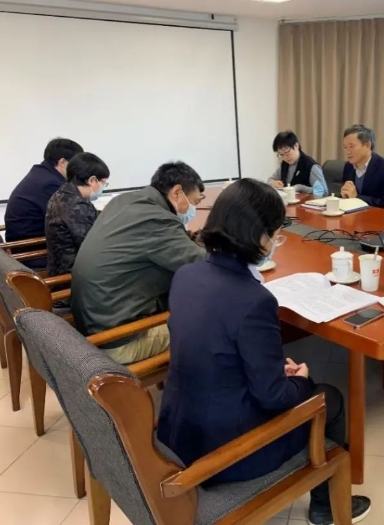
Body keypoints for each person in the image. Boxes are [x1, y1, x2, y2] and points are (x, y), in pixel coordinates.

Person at [157, 178, 371, 525]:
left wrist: (270, 371)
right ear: (259, 237)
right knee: (328, 398)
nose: (275, 243)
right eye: (275, 235)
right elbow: (273, 397)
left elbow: (217, 349)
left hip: (178, 433)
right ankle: (326, 507)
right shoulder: (254, 300)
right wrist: (301, 381)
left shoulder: (186, 275)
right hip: (226, 452)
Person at [71, 161, 206, 365]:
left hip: (92, 324)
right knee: (215, 324)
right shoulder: (158, 219)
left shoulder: (123, 201)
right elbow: (202, 266)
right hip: (120, 339)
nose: (193, 209)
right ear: (177, 192)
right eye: (195, 202)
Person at [5, 137, 83, 267]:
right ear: (63, 162)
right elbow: (71, 221)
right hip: (34, 252)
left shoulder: (42, 174)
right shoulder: (50, 184)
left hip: (28, 244)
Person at [45, 152, 109, 278]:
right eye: (103, 183)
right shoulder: (77, 206)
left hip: (60, 267)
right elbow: (93, 247)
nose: (103, 187)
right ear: (92, 180)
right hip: (74, 275)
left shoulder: (63, 193)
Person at [341, 124, 384, 210]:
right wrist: (344, 195)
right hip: (352, 215)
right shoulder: (348, 166)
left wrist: (357, 198)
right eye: (345, 147)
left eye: (351, 146)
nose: (347, 151)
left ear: (367, 145)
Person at [267, 131, 328, 197]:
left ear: (296, 146)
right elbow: (270, 180)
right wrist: (273, 183)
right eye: (281, 154)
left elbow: (323, 192)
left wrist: (301, 188)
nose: (285, 157)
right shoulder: (284, 164)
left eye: (287, 152)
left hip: (306, 202)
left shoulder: (311, 166)